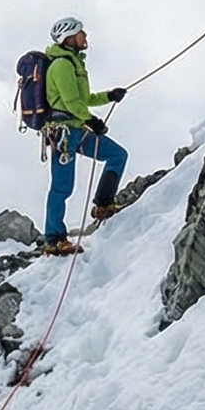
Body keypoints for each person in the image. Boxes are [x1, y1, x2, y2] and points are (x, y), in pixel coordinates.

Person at [39, 16, 128, 255]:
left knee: (118, 155)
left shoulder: (74, 64)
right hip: (64, 133)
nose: (85, 36)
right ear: (69, 37)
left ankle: (103, 205)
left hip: (75, 130)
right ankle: (54, 238)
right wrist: (91, 120)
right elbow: (70, 103)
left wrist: (109, 95)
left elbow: (84, 99)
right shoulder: (61, 66)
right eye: (81, 33)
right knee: (62, 187)